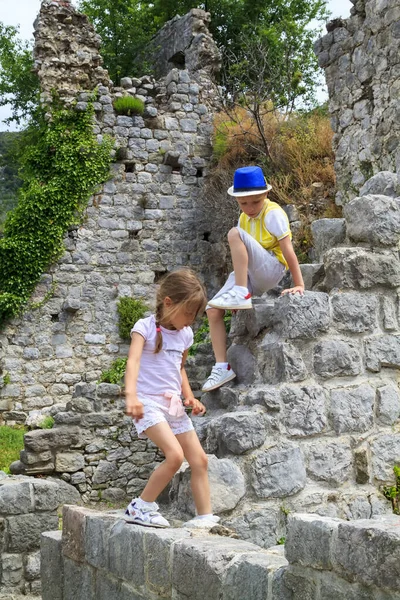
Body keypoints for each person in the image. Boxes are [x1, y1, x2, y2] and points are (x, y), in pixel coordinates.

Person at [124, 268, 219, 529]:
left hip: (173, 405)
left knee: (199, 460)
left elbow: (179, 368)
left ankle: (204, 518)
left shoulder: (185, 334)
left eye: (195, 315)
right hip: (148, 402)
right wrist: (131, 396)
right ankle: (140, 507)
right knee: (175, 456)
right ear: (168, 303)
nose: (191, 320)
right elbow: (132, 363)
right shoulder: (144, 328)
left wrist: (189, 396)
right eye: (188, 312)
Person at [202, 165, 305, 393]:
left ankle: (240, 292)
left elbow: (288, 251)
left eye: (255, 202)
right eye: (243, 203)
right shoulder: (243, 218)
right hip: (251, 274)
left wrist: (299, 283)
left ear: (266, 194)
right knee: (212, 309)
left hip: (272, 269)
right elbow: (242, 256)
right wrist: (240, 285)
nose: (249, 208)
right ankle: (221, 367)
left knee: (233, 234)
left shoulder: (274, 213)